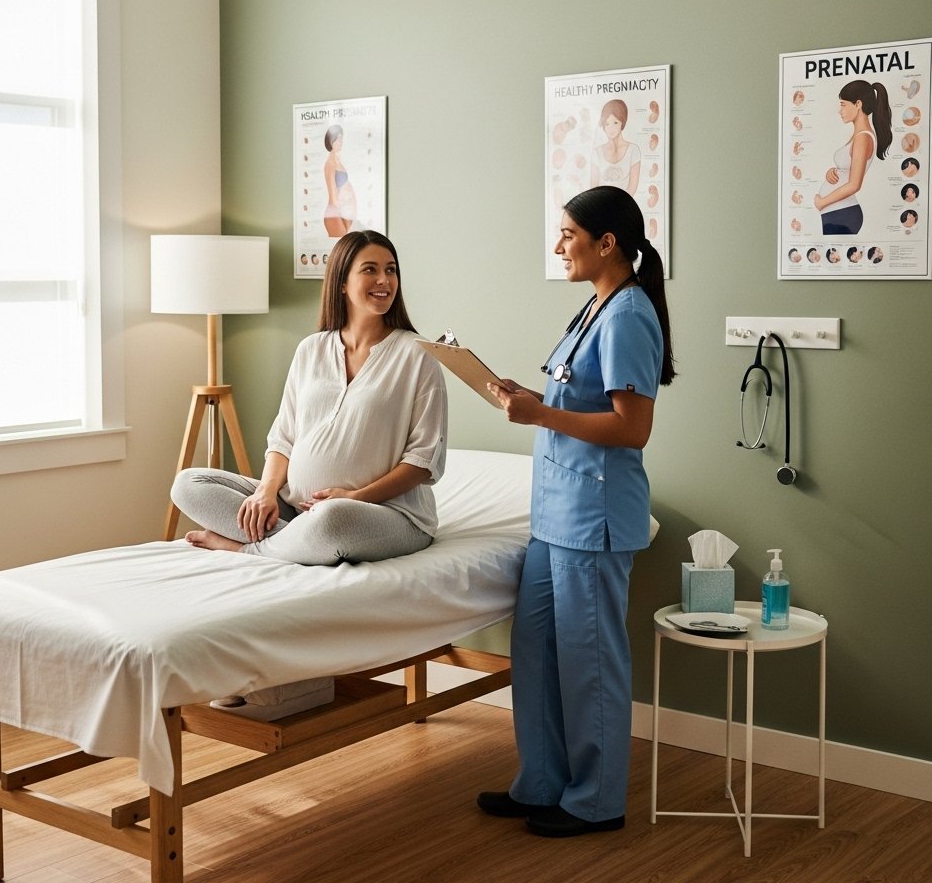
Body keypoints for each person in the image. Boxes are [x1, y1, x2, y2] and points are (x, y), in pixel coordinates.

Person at [477, 186, 675, 838]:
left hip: (593, 517)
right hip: (553, 514)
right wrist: (528, 397)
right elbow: (577, 399)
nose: (559, 245)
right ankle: (541, 782)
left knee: (590, 662)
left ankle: (595, 801)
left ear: (606, 243)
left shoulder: (628, 315)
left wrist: (539, 413)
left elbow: (632, 428)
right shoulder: (594, 308)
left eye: (568, 234)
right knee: (536, 652)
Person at [171, 230, 448, 566]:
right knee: (188, 484)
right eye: (370, 269)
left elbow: (423, 460)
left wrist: (355, 497)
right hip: (296, 507)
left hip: (383, 513)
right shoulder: (311, 349)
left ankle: (246, 549)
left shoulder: (418, 355)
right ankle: (298, 540)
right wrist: (265, 492)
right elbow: (284, 438)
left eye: (391, 270)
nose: (384, 280)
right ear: (342, 282)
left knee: (332, 520)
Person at [814, 80, 893, 235]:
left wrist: (822, 202)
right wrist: (833, 172)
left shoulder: (863, 138)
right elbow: (849, 169)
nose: (840, 111)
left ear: (858, 104)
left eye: (843, 105)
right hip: (838, 212)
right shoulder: (859, 135)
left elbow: (855, 184)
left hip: (842, 213)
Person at [589, 99, 641, 195]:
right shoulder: (597, 152)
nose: (611, 128)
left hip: (625, 203)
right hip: (600, 203)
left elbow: (632, 189)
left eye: (615, 122)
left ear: (622, 122)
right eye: (607, 124)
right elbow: (593, 189)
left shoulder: (633, 150)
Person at [322, 125, 358, 237]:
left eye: (342, 139)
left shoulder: (338, 161)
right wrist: (341, 212)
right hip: (336, 213)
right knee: (341, 247)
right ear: (331, 141)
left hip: (345, 212)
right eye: (338, 139)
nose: (341, 142)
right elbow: (333, 196)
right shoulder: (330, 163)